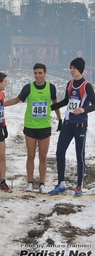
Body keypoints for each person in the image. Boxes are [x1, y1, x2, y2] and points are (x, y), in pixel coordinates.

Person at [4, 63, 62, 194]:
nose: (38, 76)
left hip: (45, 126)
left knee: (43, 156)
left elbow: (55, 103)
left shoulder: (51, 87)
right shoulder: (28, 88)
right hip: (30, 126)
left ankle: (42, 184)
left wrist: (60, 119)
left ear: (45, 73)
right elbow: (17, 100)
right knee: (30, 155)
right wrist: (1, 104)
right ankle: (29, 183)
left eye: (40, 73)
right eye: (35, 73)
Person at [48, 58, 95, 197]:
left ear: (80, 69)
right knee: (59, 152)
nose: (71, 70)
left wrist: (84, 110)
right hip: (68, 125)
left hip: (80, 126)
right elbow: (65, 101)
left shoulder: (87, 85)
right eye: (70, 67)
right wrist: (49, 108)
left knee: (79, 156)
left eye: (74, 67)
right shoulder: (70, 84)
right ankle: (61, 184)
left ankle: (79, 187)